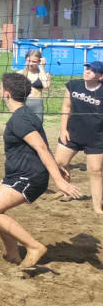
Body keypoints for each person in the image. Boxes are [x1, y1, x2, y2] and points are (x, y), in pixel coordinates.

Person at [0, 73, 80, 267]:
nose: (0, 90)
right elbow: (40, 146)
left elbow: (41, 148)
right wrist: (56, 167)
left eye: (1, 87)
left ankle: (34, 247)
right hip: (18, 174)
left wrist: (59, 181)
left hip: (28, 177)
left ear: (6, 93)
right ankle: (13, 254)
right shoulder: (25, 114)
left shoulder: (21, 119)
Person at [53, 61, 103, 215]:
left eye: (92, 70)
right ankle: (67, 190)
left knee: (95, 171)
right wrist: (63, 129)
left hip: (96, 137)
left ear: (100, 76)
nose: (87, 71)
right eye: (87, 68)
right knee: (59, 162)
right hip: (73, 132)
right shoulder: (73, 85)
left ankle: (97, 206)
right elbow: (66, 107)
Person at [18, 49, 51, 123]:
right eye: (28, 61)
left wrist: (42, 68)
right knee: (22, 126)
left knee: (37, 126)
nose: (30, 63)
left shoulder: (44, 74)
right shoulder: (20, 73)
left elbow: (46, 86)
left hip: (37, 104)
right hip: (23, 103)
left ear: (39, 62)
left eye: (34, 61)